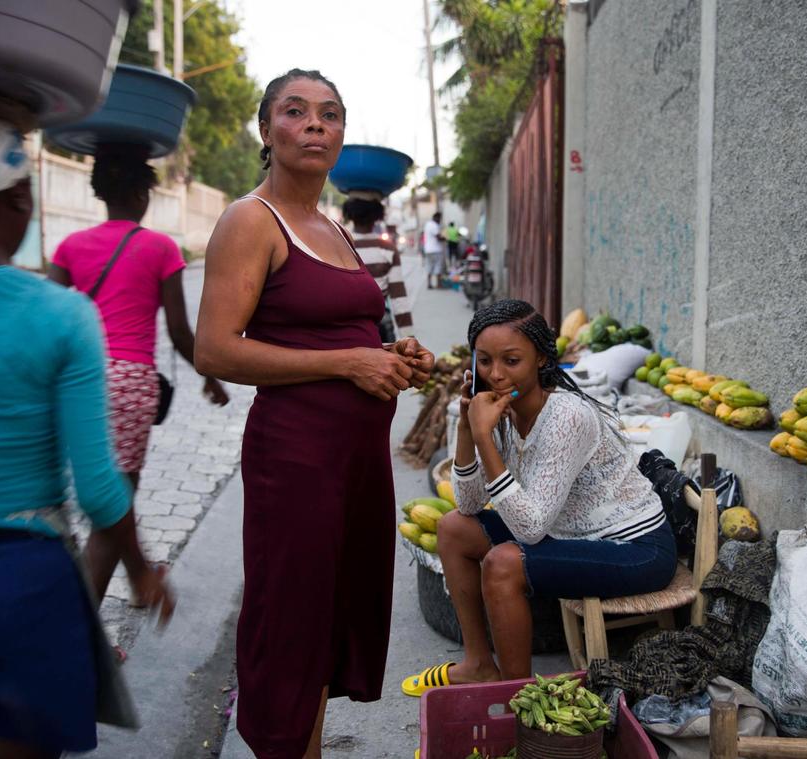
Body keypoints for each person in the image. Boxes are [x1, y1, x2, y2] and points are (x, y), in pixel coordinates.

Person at [0, 115, 175, 759]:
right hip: (19, 590)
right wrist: (142, 572)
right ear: (21, 198)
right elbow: (102, 491)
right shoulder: (62, 316)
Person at [193, 68, 435, 758]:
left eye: (329, 114)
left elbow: (350, 332)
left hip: (356, 463)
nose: (315, 125)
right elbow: (214, 348)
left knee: (330, 621)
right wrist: (347, 363)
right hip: (297, 460)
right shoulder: (252, 219)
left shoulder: (330, 227)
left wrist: (394, 355)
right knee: (292, 623)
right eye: (295, 112)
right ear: (267, 129)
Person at [401, 299, 677, 695]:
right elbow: (468, 505)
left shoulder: (567, 417)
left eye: (511, 361)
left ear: (542, 360)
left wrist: (484, 437)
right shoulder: (501, 410)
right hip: (569, 534)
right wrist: (467, 428)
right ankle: (479, 665)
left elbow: (529, 530)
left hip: (634, 546)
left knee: (503, 563)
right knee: (453, 528)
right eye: (484, 361)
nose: (495, 374)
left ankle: (518, 699)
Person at [48, 144, 229, 601]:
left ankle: (116, 595)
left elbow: (48, 320)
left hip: (79, 382)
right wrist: (208, 375)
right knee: (115, 507)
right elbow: (179, 330)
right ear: (143, 195)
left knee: (104, 500)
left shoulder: (70, 247)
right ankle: (88, 638)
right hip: (130, 384)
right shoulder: (160, 248)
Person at [341, 192, 414, 343]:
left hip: (344, 329)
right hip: (379, 327)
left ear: (349, 214)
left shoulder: (339, 244)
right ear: (378, 216)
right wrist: (409, 339)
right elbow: (399, 299)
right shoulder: (387, 249)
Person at [422, 211, 444, 289]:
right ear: (437, 218)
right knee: (438, 266)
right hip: (436, 249)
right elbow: (438, 237)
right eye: (440, 219)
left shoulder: (427, 224)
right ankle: (438, 284)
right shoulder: (435, 225)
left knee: (429, 266)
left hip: (428, 249)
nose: (440, 220)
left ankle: (429, 284)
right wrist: (445, 238)